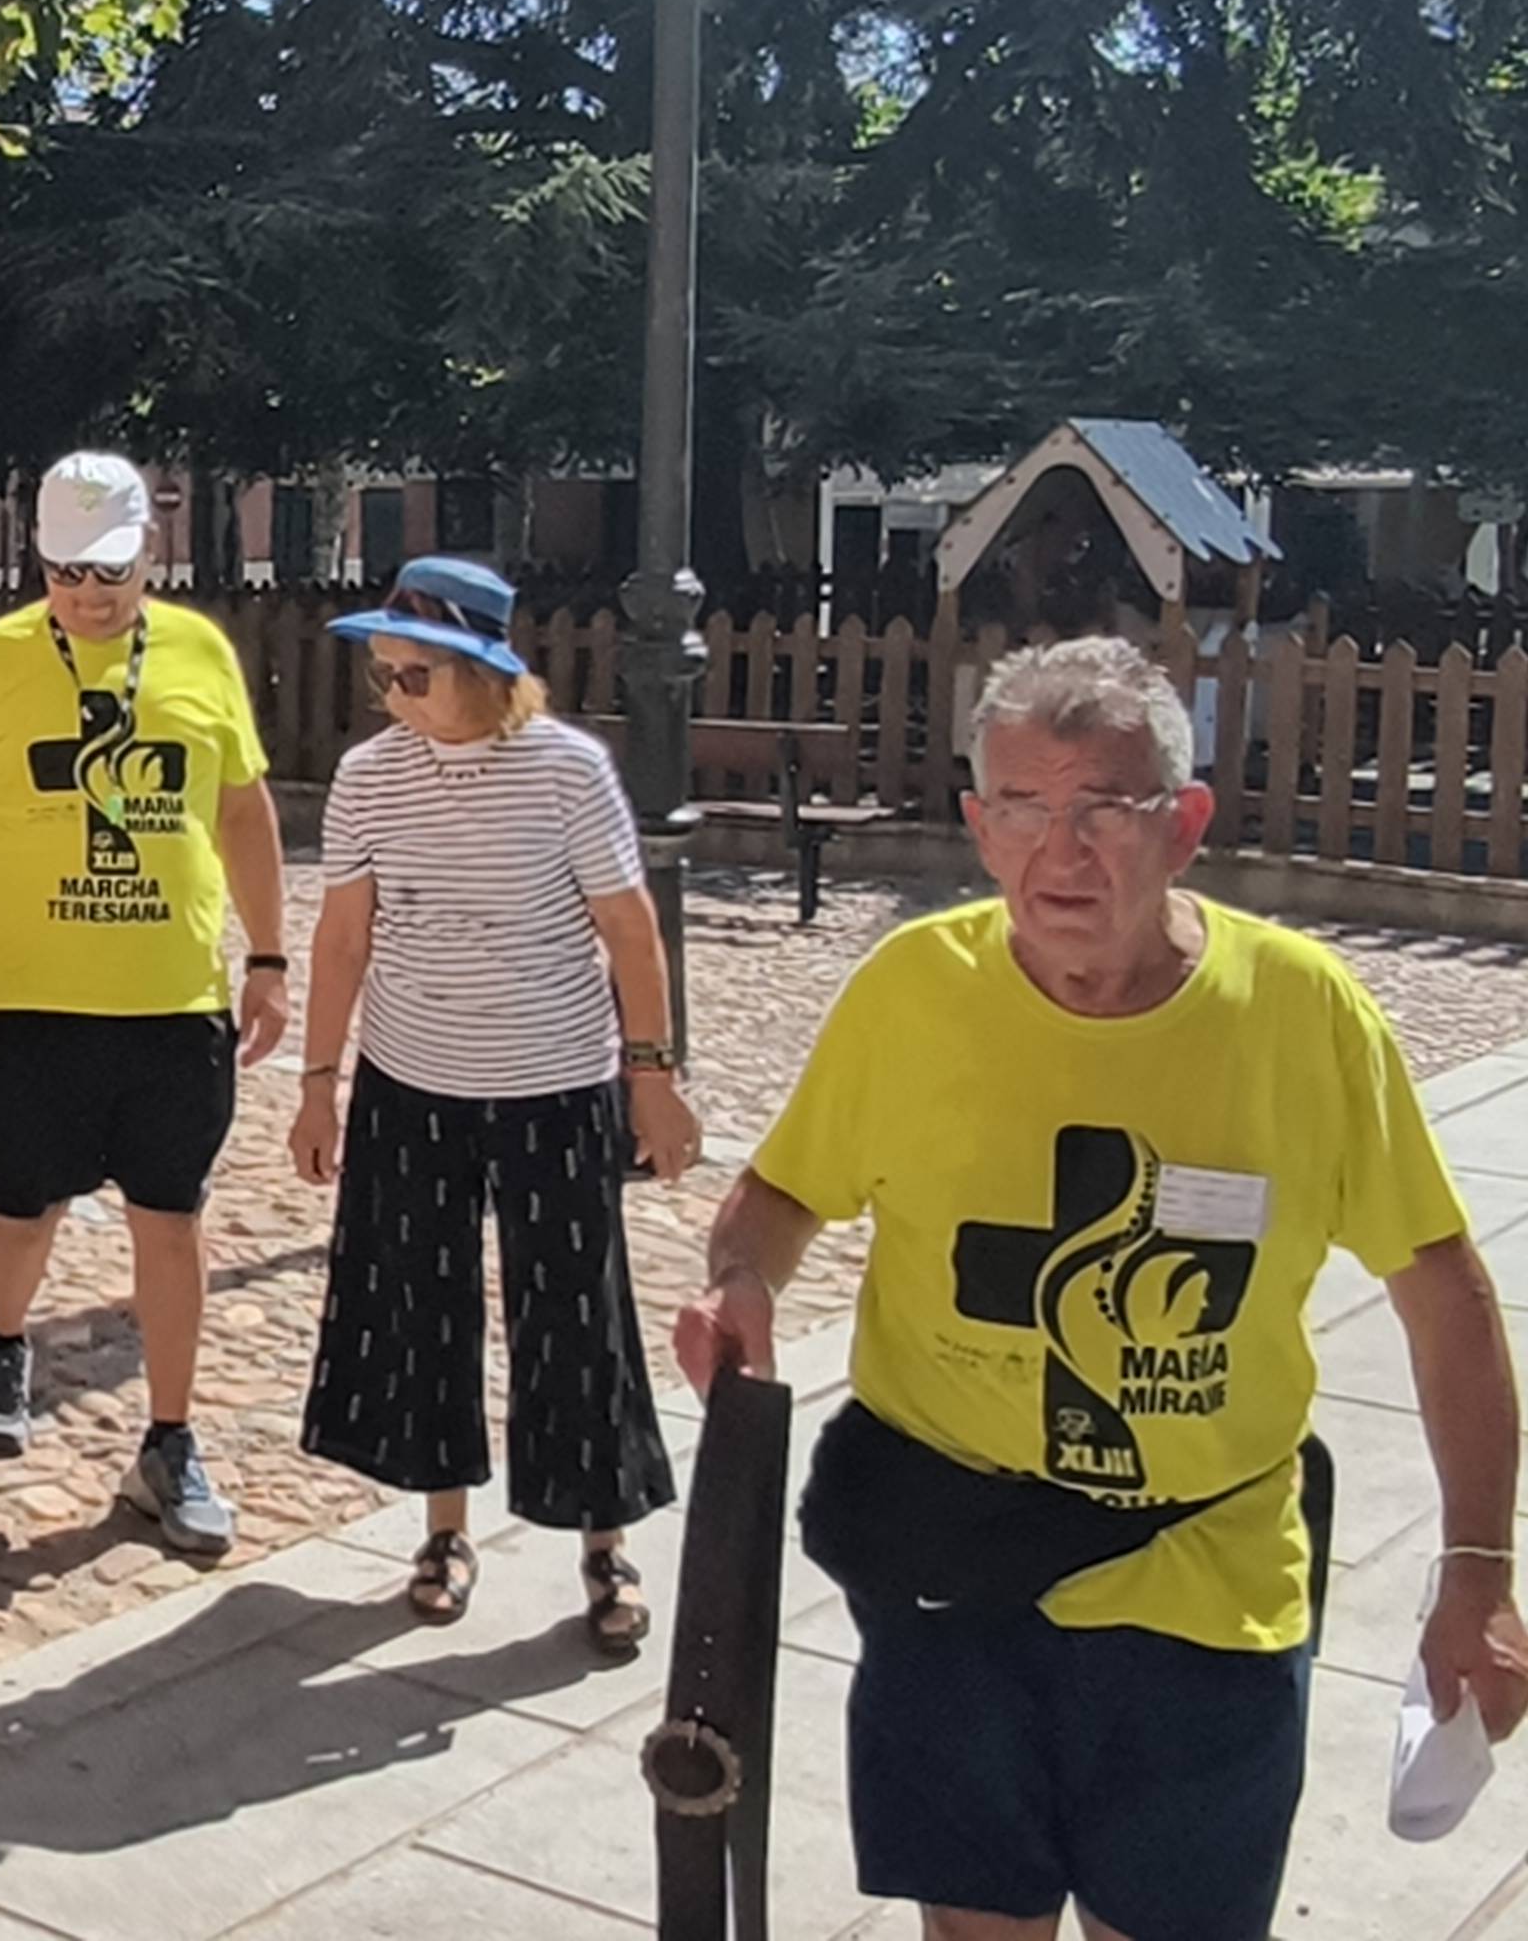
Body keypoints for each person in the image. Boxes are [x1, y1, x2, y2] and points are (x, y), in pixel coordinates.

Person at [673, 636, 1526, 1941]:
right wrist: (743, 1280)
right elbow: (782, 1193)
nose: (1060, 851)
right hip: (951, 1579)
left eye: (1103, 809)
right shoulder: (912, 991)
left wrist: (1479, 1565)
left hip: (1205, 1586)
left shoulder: (1301, 1016)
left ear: (1183, 826)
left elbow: (1443, 1292)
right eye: (1022, 807)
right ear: (979, 828)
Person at [0, 449, 291, 1557]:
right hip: (29, 1002)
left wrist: (268, 956)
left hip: (173, 1002)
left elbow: (244, 812)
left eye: (109, 569)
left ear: (150, 549)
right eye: (65, 570)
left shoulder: (200, 652)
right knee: (22, 1213)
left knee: (173, 1217)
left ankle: (170, 1439)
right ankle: (5, 1344)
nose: (88, 592)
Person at [289, 558, 692, 1650]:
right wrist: (319, 1086)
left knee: (576, 1318)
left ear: (481, 670)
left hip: (554, 1081)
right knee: (422, 1309)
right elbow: (344, 937)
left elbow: (630, 932)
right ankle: (443, 1531)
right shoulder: (370, 777)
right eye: (382, 676)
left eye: (413, 676)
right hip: (412, 1078)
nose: (394, 697)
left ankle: (605, 1544)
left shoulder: (567, 772)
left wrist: (652, 1079)